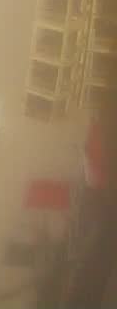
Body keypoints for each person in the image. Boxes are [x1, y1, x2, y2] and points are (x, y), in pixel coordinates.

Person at [62, 80, 116, 306]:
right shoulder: (104, 120)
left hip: (102, 201)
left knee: (94, 261)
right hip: (103, 201)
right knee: (95, 260)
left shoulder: (103, 118)